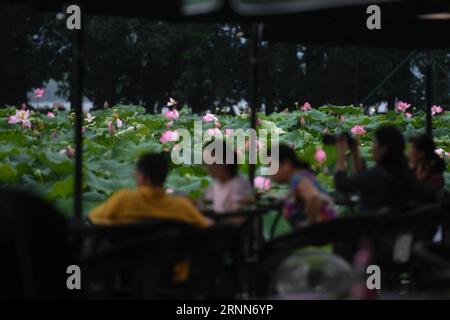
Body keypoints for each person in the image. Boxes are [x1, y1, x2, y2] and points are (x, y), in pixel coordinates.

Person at [89, 153, 212, 228]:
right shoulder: (182, 206)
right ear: (164, 177)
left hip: (128, 267)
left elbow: (93, 219)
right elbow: (208, 227)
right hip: (170, 268)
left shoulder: (123, 199)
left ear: (142, 177)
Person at [334, 125, 415, 213]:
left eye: (375, 143)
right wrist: (355, 152)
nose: (372, 148)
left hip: (373, 225)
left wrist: (341, 153)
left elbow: (341, 184)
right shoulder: (407, 171)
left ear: (384, 149)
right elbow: (361, 178)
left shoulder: (378, 175)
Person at [271, 144, 336, 228]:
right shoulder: (300, 178)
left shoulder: (298, 179)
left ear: (286, 164)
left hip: (322, 234)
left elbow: (313, 197)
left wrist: (311, 227)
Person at [202, 140, 254, 213]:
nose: (208, 167)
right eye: (205, 163)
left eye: (210, 162)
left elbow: (240, 218)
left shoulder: (239, 186)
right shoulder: (213, 188)